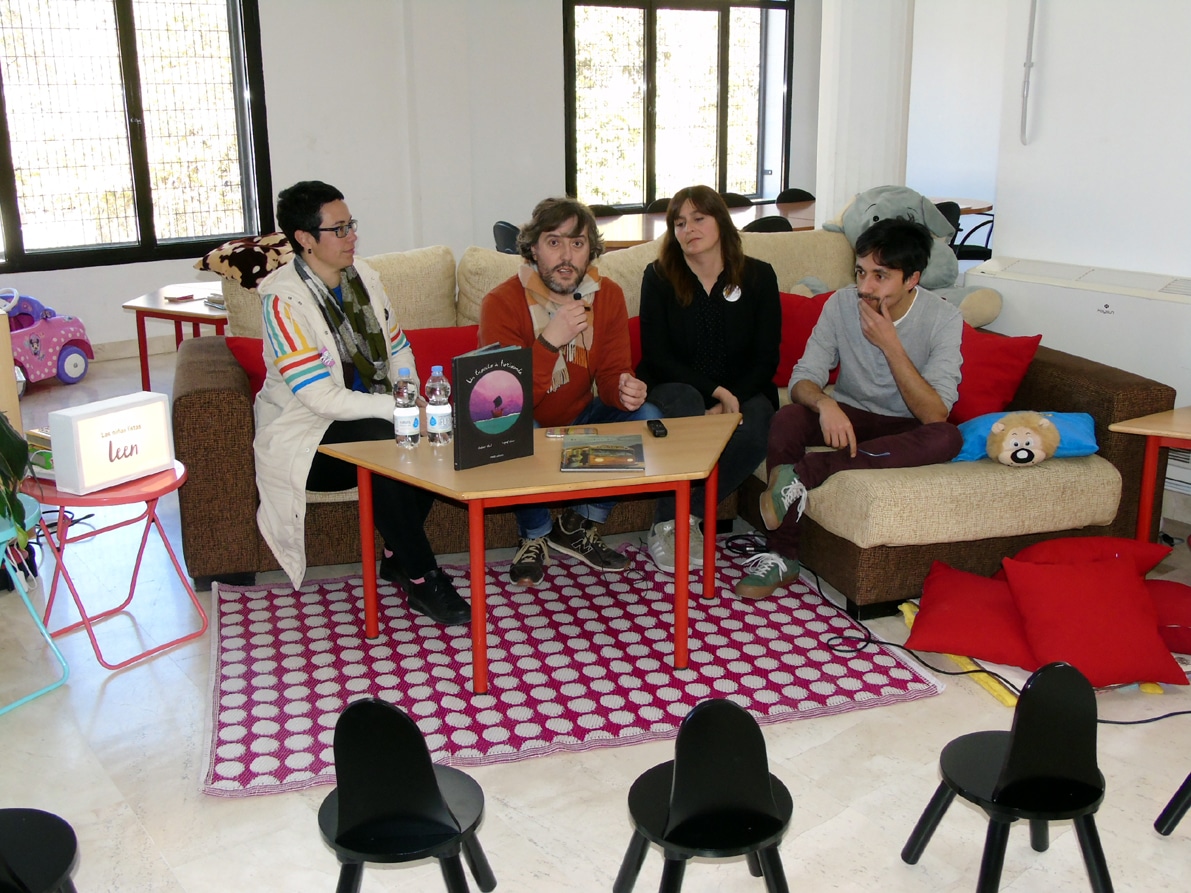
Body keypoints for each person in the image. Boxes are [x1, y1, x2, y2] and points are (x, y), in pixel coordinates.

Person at [254, 180, 470, 625]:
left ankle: (396, 554)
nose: (352, 235)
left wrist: (408, 392)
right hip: (307, 438)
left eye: (351, 224)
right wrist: (398, 410)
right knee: (387, 437)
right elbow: (317, 397)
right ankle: (423, 578)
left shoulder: (365, 279)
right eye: (339, 229)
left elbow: (398, 349)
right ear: (305, 240)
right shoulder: (283, 301)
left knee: (434, 431)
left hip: (372, 415)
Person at [737, 217, 965, 600]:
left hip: (907, 427)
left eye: (880, 276)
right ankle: (782, 556)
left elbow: (934, 414)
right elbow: (802, 379)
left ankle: (802, 475)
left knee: (948, 436)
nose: (865, 288)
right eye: (860, 273)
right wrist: (825, 403)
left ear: (912, 279)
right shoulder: (841, 304)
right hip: (850, 415)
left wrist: (891, 344)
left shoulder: (943, 319)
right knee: (788, 417)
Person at [478, 197, 663, 587]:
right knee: (510, 426)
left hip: (578, 418)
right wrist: (549, 341)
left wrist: (625, 390)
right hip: (524, 422)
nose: (567, 256)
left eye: (577, 244)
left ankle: (578, 523)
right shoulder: (501, 302)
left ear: (591, 251)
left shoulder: (606, 295)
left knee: (646, 417)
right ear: (533, 248)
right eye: (554, 242)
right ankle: (534, 534)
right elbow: (501, 404)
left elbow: (613, 374)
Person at [635, 186, 781, 573]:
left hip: (743, 387)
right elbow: (657, 356)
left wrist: (732, 398)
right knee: (684, 405)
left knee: (759, 422)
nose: (689, 229)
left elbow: (767, 356)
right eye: (679, 222)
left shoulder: (759, 276)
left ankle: (687, 517)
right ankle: (666, 524)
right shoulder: (659, 277)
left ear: (721, 222)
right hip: (674, 386)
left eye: (699, 218)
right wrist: (714, 395)